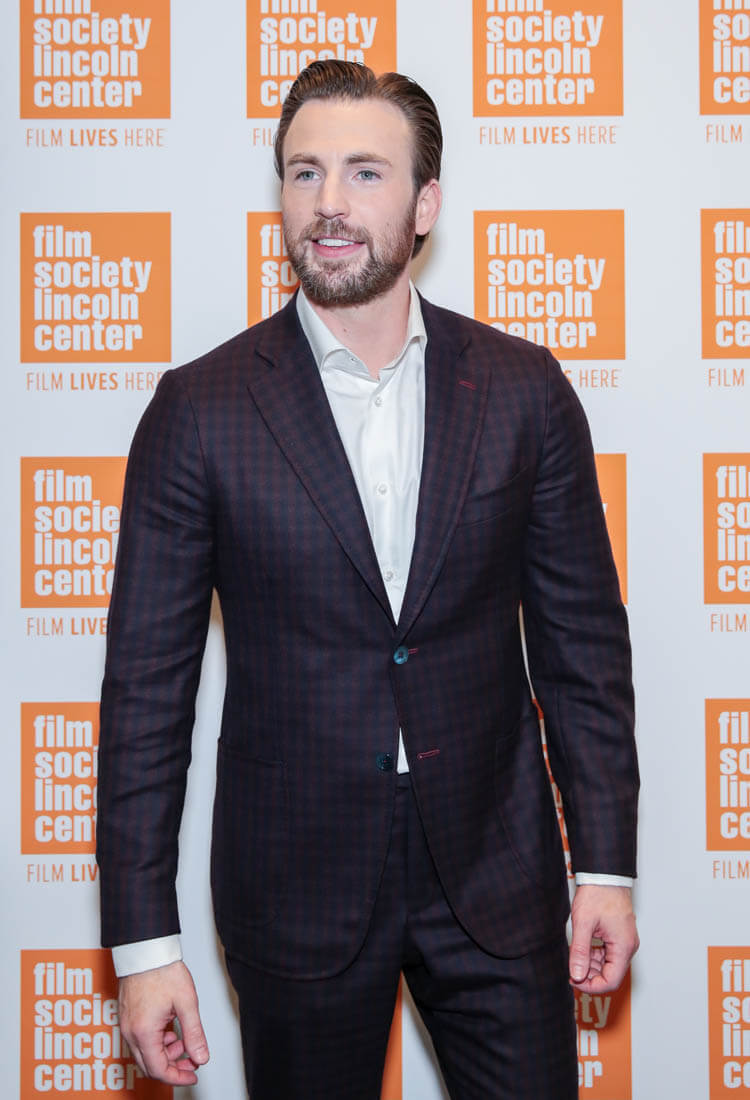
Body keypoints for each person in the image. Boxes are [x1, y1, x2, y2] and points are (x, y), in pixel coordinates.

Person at [97, 60, 639, 1100]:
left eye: (364, 173)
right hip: (293, 884)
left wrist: (606, 867)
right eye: (305, 173)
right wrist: (143, 944)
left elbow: (583, 652)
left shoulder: (524, 391)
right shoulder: (199, 411)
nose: (330, 203)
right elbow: (145, 697)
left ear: (426, 203)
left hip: (497, 874)